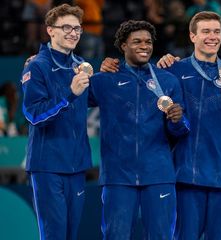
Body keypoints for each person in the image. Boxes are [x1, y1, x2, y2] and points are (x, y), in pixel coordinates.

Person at [100, 11, 221, 239]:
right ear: (192, 36)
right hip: (185, 175)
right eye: (205, 31)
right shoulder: (172, 71)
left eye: (216, 31)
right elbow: (140, 76)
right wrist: (111, 64)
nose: (212, 36)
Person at [90, 20, 190, 239]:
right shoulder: (104, 80)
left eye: (148, 41)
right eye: (136, 41)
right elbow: (73, 98)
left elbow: (181, 131)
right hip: (117, 176)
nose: (144, 46)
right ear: (123, 45)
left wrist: (177, 120)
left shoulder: (167, 80)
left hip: (158, 174)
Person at [21, 4, 91, 240]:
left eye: (78, 29)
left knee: (71, 234)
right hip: (48, 165)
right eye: (67, 28)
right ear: (50, 30)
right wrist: (69, 94)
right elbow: (33, 115)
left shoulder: (80, 65)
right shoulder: (37, 66)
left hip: (77, 165)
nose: (73, 33)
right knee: (54, 235)